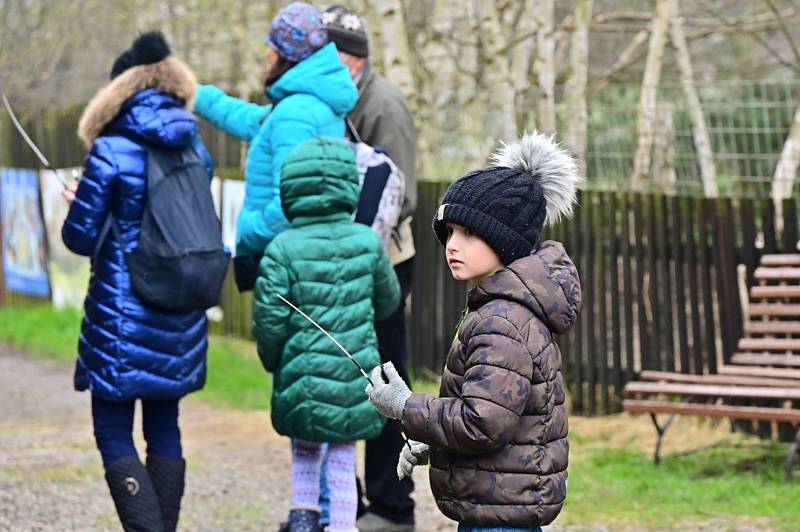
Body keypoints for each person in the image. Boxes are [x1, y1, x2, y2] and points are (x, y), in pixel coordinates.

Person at [364, 131, 583, 531]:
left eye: (468, 233)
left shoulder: (502, 320)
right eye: (448, 232)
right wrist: (434, 441)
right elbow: (497, 415)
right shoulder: (501, 307)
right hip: (497, 502)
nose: (452, 244)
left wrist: (406, 406)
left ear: (505, 240)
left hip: (499, 514)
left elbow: (481, 423)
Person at [61, 31, 213, 532]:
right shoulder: (196, 147)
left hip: (122, 314)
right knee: (165, 425)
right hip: (180, 307)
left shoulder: (110, 150)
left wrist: (80, 200)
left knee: (112, 429)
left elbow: (80, 238)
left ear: (117, 94)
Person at [253, 136, 401, 532]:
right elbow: (389, 301)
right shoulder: (367, 241)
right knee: (341, 458)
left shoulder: (281, 248)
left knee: (304, 453)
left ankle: (303, 520)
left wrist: (275, 363)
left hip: (302, 378)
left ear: (290, 189)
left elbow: (269, 321)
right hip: (354, 377)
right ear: (348, 185)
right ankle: (341, 526)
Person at [322, 6, 418, 530]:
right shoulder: (334, 102)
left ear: (350, 60)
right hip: (349, 261)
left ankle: (391, 504)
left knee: (386, 375)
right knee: (343, 377)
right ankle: (346, 500)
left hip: (385, 262)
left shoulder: (383, 106)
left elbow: (402, 193)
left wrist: (352, 244)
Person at [193, 1, 357, 275]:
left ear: (287, 54)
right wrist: (192, 91)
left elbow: (288, 205)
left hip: (284, 261)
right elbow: (250, 120)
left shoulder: (296, 114)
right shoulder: (307, 104)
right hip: (303, 256)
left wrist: (247, 231)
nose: (268, 53)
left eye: (274, 46)